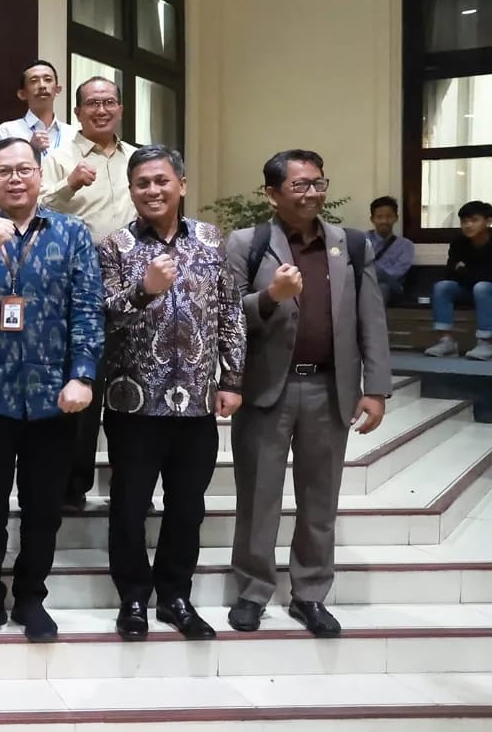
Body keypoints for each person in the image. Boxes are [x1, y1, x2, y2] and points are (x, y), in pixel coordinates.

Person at [0, 137, 103, 644]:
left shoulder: (72, 233)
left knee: (42, 505)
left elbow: (88, 307)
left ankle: (31, 595)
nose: (15, 179)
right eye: (4, 171)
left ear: (39, 176)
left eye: (25, 170)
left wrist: (82, 374)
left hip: (54, 393)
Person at [226, 149, 391, 638]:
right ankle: (254, 591)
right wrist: (268, 298)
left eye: (318, 183)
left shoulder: (352, 245)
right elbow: (228, 318)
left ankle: (311, 594)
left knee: (321, 499)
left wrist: (376, 388)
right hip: (266, 391)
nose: (312, 192)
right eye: (299, 185)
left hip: (329, 388)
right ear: (273, 195)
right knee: (259, 498)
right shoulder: (247, 244)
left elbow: (371, 320)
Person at [98, 144, 246, 642]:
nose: (153, 190)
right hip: (133, 403)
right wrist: (144, 288)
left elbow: (230, 312)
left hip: (197, 403)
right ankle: (134, 597)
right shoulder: (114, 247)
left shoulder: (210, 240)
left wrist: (232, 380)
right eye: (142, 183)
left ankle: (175, 595)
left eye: (162, 181)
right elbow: (102, 319)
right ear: (131, 191)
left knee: (188, 506)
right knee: (129, 506)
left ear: (181, 185)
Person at [40, 76, 138, 512]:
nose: (102, 110)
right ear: (77, 112)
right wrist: (70, 185)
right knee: (84, 385)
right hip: (77, 287)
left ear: (120, 108)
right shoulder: (58, 158)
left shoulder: (138, 158)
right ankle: (70, 487)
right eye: (92, 103)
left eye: (109, 102)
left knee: (134, 388)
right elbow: (35, 209)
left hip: (137, 289)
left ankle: (131, 485)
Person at [425, 199, 492, 360]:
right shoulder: (459, 241)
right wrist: (473, 273)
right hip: (469, 289)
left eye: (474, 220)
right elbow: (449, 273)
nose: (468, 225)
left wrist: (464, 270)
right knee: (442, 287)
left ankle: (486, 343)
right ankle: (446, 342)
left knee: (482, 287)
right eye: (464, 221)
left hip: (486, 291)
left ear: (488, 221)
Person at [0, 60, 76, 155]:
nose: (42, 86)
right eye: (34, 81)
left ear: (57, 90)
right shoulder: (7, 131)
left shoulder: (72, 134)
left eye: (48, 80)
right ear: (22, 94)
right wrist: (30, 150)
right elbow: (1, 168)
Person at [367, 196, 415, 305]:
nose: (384, 221)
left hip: (392, 288)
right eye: (379, 217)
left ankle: (376, 322)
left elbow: (396, 274)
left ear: (396, 218)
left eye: (389, 217)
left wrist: (373, 273)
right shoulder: (362, 240)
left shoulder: (406, 245)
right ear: (372, 219)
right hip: (365, 285)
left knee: (382, 287)